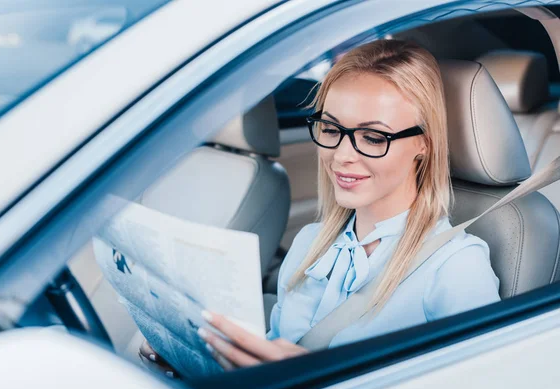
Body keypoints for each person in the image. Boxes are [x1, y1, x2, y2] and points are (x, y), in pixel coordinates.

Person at [141, 39, 501, 371]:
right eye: (330, 129)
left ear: (424, 143)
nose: (341, 156)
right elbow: (272, 357)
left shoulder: (456, 267)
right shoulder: (309, 245)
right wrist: (198, 358)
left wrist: (317, 378)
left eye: (373, 137)